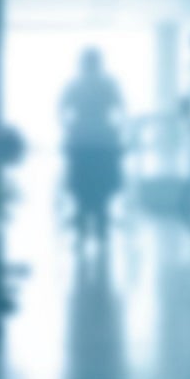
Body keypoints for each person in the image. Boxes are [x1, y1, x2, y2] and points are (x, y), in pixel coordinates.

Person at [59, 48, 124, 244]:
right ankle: (100, 229)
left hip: (81, 140)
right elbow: (122, 109)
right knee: (102, 189)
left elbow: (61, 110)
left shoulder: (75, 85)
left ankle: (82, 228)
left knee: (81, 188)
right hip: (104, 141)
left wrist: (68, 129)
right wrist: (116, 131)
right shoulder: (109, 84)